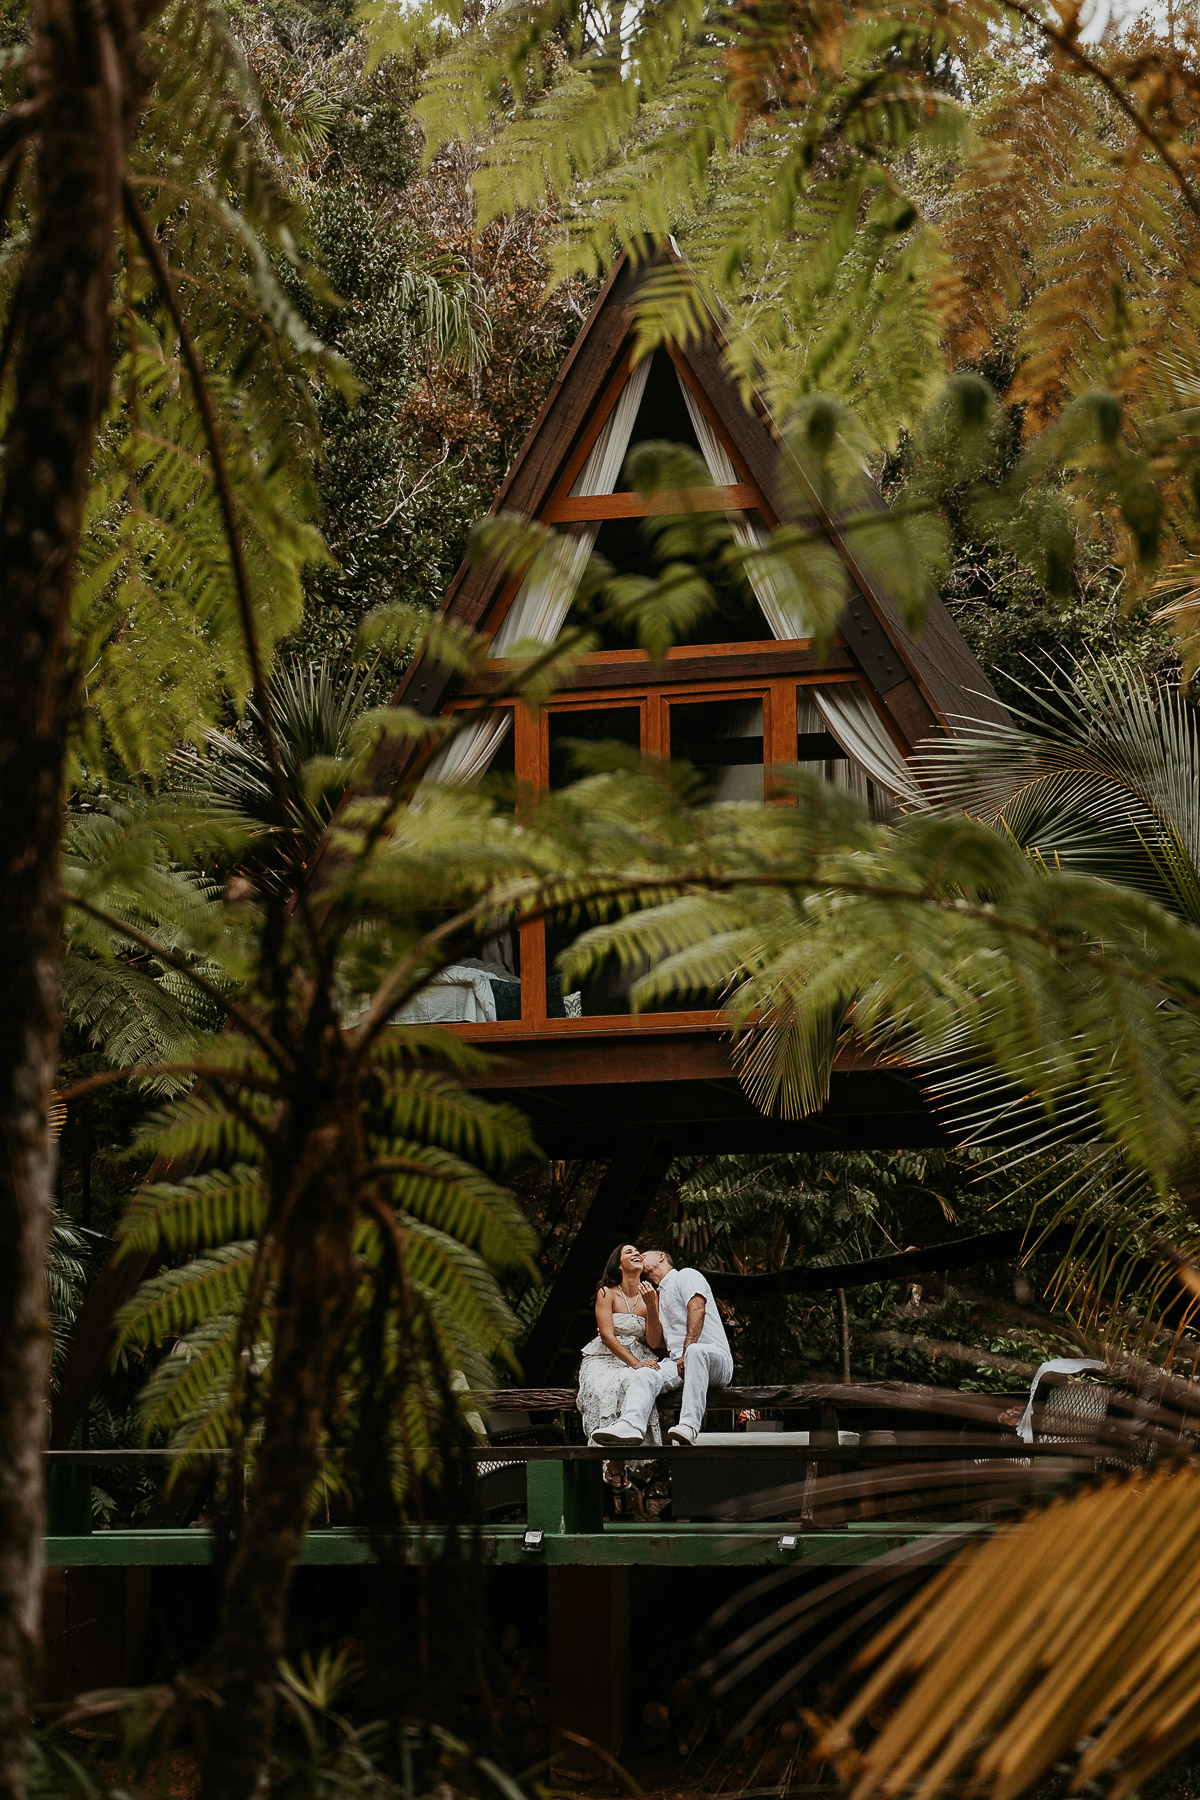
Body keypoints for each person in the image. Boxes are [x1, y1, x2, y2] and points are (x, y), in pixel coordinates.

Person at [594, 1249, 733, 1448]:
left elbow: (698, 1308)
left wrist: (686, 1351)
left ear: (660, 1257)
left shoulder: (686, 1275)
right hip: (679, 1364)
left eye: (644, 1254)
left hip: (714, 1359)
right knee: (645, 1373)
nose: (639, 1256)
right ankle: (630, 1424)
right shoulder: (657, 1294)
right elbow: (654, 1342)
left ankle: (689, 1425)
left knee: (695, 1352)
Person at [576, 1243, 665, 1486]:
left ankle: (618, 1459)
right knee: (606, 1386)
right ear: (618, 1265)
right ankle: (613, 1460)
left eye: (638, 1252)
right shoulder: (607, 1292)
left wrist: (652, 1306)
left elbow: (655, 1341)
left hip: (637, 1354)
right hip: (605, 1357)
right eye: (629, 1252)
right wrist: (635, 1363)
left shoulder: (650, 1293)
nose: (636, 1254)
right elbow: (606, 1335)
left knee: (633, 1382)